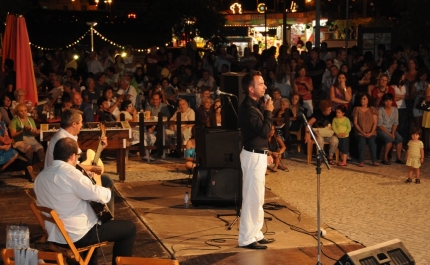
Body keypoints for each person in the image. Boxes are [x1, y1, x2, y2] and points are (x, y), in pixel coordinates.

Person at [35, 137, 135, 265]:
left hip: (56, 235)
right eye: (77, 156)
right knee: (129, 229)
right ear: (72, 156)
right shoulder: (70, 174)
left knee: (94, 220)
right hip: (76, 236)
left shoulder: (41, 176)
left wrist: (83, 180)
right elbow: (100, 195)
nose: (77, 159)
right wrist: (107, 190)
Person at [44, 108, 115, 215]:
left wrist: (101, 148)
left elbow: (81, 160)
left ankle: (105, 215)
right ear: (74, 124)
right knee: (105, 182)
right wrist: (92, 168)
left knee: (103, 180)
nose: (82, 125)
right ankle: (104, 217)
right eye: (80, 122)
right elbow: (73, 167)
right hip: (61, 181)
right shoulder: (63, 140)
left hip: (64, 177)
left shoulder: (67, 137)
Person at [238, 71, 275, 250]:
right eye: (261, 84)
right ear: (251, 89)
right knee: (251, 198)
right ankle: (246, 238)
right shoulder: (247, 108)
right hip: (252, 156)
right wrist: (268, 113)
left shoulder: (257, 105)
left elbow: (263, 135)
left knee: (258, 198)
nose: (265, 87)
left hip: (258, 153)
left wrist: (266, 152)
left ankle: (256, 233)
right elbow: (263, 131)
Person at [305, 100, 338, 165]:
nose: (330, 111)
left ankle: (330, 156)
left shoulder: (332, 114)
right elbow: (308, 124)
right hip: (318, 133)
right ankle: (320, 157)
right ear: (324, 110)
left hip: (328, 134)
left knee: (335, 140)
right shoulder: (317, 114)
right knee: (320, 140)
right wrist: (307, 134)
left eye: (330, 109)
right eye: (328, 110)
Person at [376, 93, 405, 165]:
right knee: (389, 139)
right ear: (383, 102)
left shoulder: (395, 109)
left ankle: (398, 158)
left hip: (392, 129)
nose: (388, 103)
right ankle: (385, 158)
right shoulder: (380, 109)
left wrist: (392, 132)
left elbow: (396, 122)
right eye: (386, 101)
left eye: (390, 101)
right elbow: (379, 125)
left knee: (399, 138)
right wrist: (389, 134)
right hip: (381, 130)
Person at [353, 94, 379, 167]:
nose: (362, 100)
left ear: (368, 100)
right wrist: (362, 132)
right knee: (362, 142)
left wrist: (371, 133)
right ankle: (361, 161)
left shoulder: (372, 109)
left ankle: (374, 160)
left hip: (371, 131)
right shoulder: (357, 109)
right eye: (361, 99)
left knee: (372, 142)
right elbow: (355, 123)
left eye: (364, 99)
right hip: (360, 131)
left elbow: (375, 123)